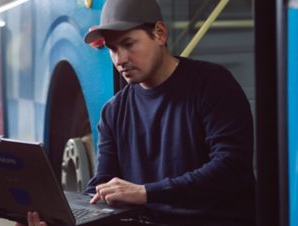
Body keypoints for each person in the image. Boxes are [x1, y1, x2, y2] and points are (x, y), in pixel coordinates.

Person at [17, 0, 256, 225]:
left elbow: (230, 168)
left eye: (129, 44)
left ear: (160, 33)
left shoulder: (213, 84)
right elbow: (103, 185)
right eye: (112, 49)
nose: (120, 59)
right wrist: (63, 217)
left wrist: (145, 193)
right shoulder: (113, 111)